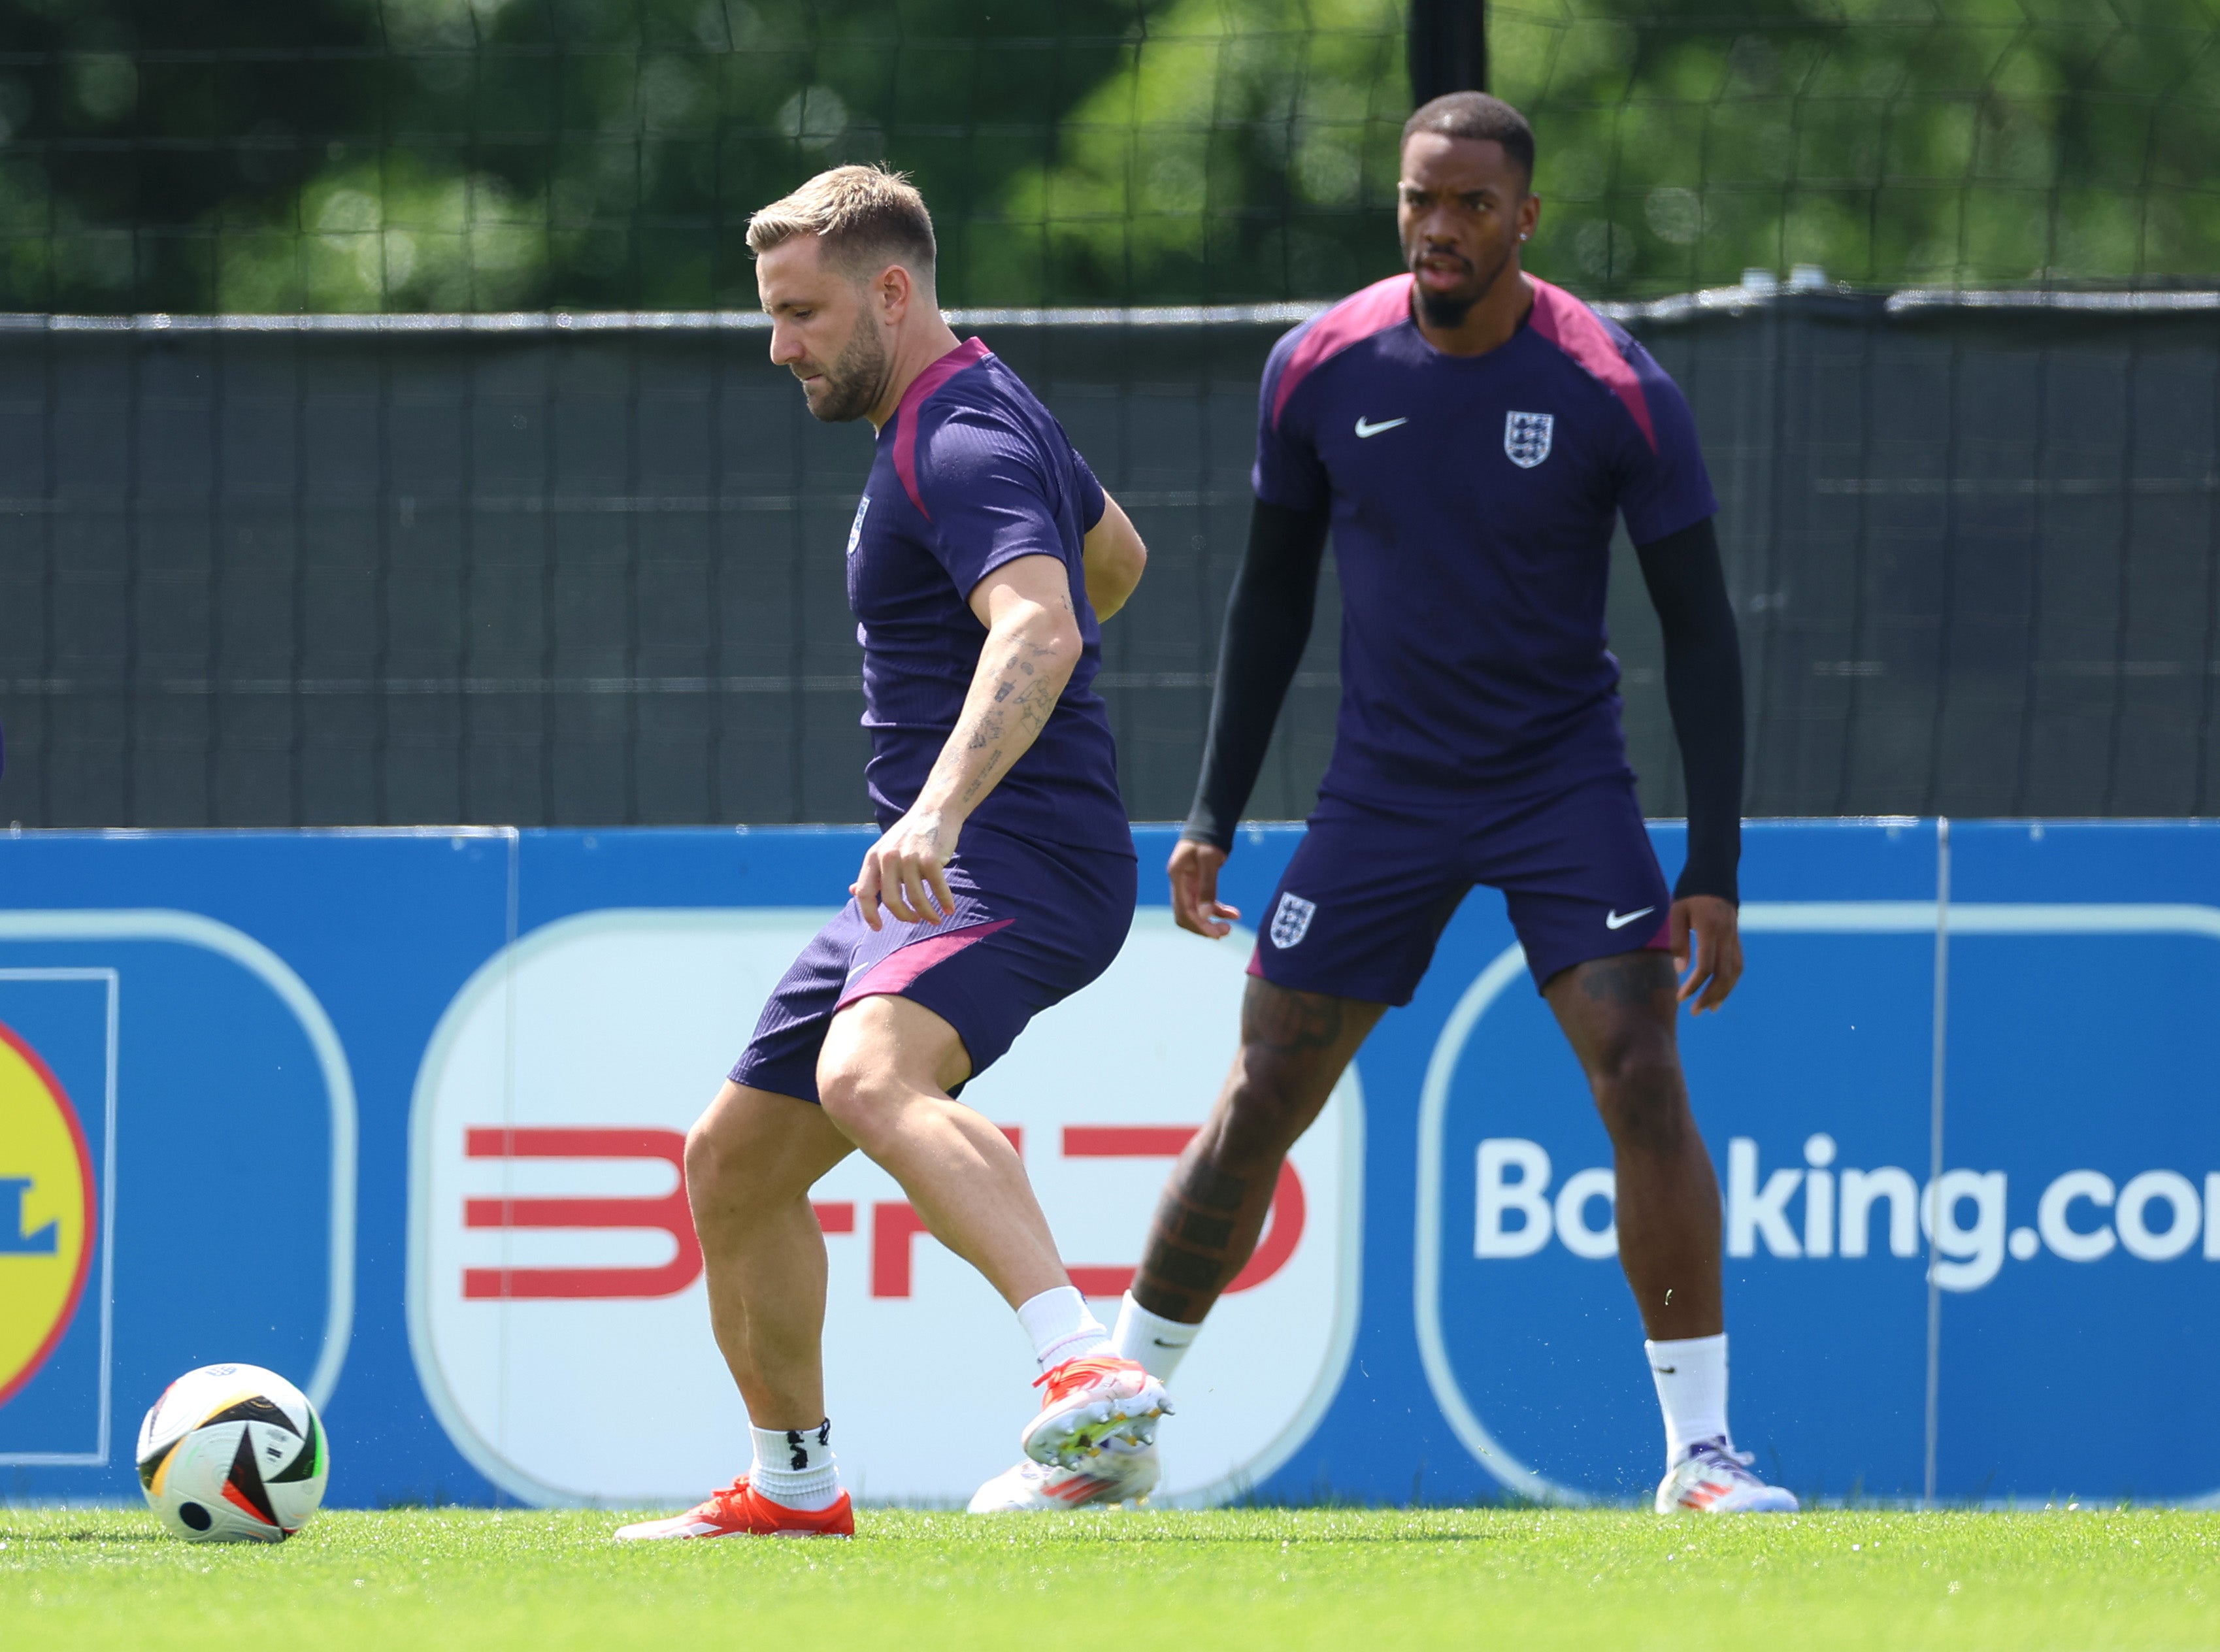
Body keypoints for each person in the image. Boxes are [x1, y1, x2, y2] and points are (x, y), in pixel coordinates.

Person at [971, 93, 1795, 1517]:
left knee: (1640, 1073)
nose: (1442, 226)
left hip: (1559, 785)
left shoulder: (1614, 384)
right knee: (1259, 1099)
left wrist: (1709, 863)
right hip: (1381, 795)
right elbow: (1270, 597)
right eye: (1422, 199)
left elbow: (1702, 632)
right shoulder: (1317, 367)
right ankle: (1114, 1436)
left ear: (1524, 219)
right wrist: (1212, 811)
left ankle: (1702, 1457)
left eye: (1474, 204)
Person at [617, 164, 1165, 1541]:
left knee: (866, 1072)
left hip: (1011, 860)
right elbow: (1118, 561)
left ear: (892, 291)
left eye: (800, 313)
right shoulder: (982, 400)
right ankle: (794, 1486)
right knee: (731, 1161)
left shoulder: (959, 439)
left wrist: (940, 807)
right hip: (936, 867)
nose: (777, 345)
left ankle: (1081, 1363)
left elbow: (1043, 625)